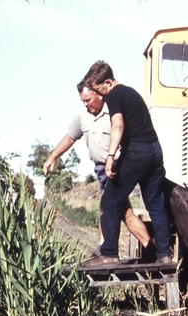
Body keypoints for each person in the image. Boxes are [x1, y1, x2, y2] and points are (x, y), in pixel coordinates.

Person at [81, 60, 172, 267]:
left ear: (108, 82)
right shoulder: (132, 93)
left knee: (110, 201)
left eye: (99, 90)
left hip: (137, 150)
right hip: (155, 150)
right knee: (156, 205)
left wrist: (111, 156)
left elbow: (118, 125)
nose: (100, 96)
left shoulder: (114, 94)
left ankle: (109, 254)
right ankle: (164, 255)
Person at [44, 81, 151, 254]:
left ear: (99, 94)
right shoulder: (82, 116)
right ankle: (148, 245)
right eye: (82, 101)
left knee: (107, 206)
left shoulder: (114, 111)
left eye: (88, 100)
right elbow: (71, 137)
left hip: (117, 167)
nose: (86, 104)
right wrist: (53, 156)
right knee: (124, 212)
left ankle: (105, 250)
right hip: (101, 170)